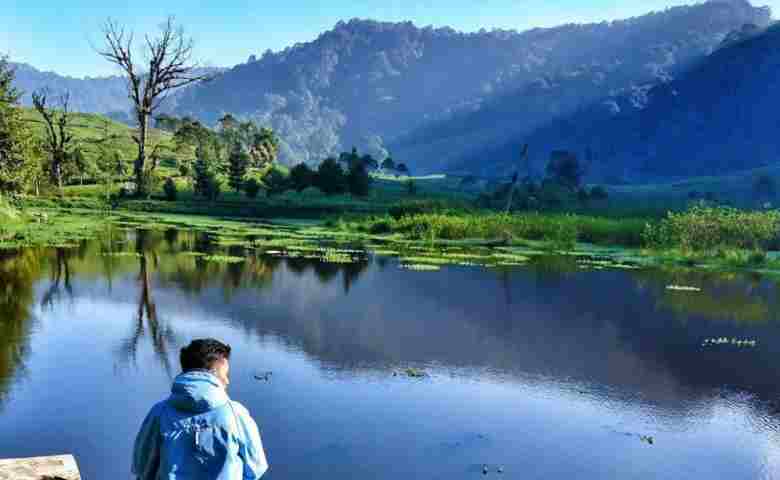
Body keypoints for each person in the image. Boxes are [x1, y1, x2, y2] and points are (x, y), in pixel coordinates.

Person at [132, 338, 269, 479]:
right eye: (225, 375)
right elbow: (255, 468)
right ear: (213, 374)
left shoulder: (159, 413)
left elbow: (142, 468)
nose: (227, 381)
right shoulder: (236, 414)